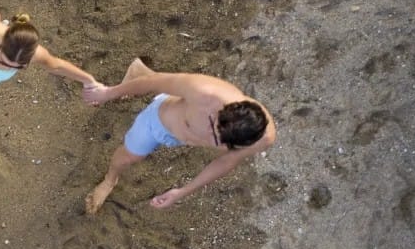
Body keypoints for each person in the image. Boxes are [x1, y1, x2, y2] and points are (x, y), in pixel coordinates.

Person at [81, 58, 276, 213]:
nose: (209, 136)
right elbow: (154, 83)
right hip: (158, 121)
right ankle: (110, 180)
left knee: (161, 84)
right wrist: (108, 93)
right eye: (212, 124)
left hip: (179, 136)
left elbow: (227, 161)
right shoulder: (204, 92)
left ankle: (139, 71)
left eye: (219, 141)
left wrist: (182, 191)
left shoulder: (263, 140)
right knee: (130, 156)